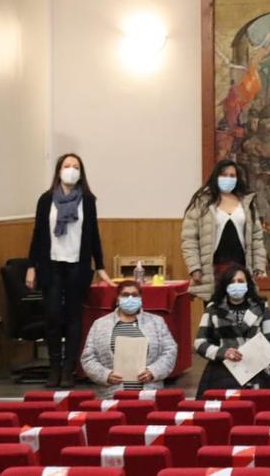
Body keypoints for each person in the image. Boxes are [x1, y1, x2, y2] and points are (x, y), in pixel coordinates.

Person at [26, 153, 114, 388]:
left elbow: (94, 234)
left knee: (74, 317)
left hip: (78, 264)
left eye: (76, 166)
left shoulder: (87, 199)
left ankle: (68, 368)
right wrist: (31, 266)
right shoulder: (46, 200)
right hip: (50, 264)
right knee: (53, 315)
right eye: (67, 166)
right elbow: (38, 233)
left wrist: (101, 266)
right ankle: (54, 366)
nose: (71, 170)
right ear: (58, 170)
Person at [195, 264, 270, 398]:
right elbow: (200, 342)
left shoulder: (261, 306)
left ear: (247, 284)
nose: (236, 285)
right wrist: (223, 352)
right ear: (225, 286)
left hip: (255, 368)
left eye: (240, 281)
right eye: (232, 282)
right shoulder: (213, 307)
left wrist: (263, 361)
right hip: (222, 368)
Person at [182, 159, 269, 303]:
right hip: (213, 268)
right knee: (215, 313)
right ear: (216, 176)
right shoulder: (202, 202)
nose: (228, 179)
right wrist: (194, 267)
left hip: (241, 266)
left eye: (232, 176)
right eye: (224, 175)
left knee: (241, 310)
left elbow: (257, 238)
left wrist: (259, 265)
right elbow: (189, 238)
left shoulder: (246, 202)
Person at [80, 281, 177, 398]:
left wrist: (153, 372)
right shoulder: (100, 324)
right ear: (117, 298)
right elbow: (88, 357)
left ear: (141, 298)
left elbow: (170, 351)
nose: (130, 298)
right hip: (111, 395)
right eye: (125, 295)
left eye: (135, 295)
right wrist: (105, 375)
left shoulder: (157, 322)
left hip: (149, 393)